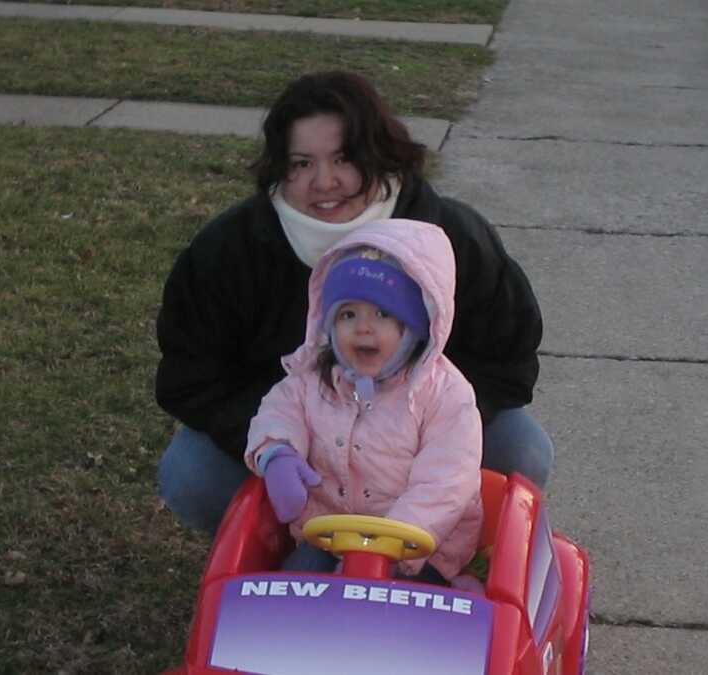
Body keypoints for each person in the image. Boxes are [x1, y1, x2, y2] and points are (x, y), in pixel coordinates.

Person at [155, 70, 553, 535]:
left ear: (379, 154)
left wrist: (422, 430)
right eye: (301, 163)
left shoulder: (450, 235)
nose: (324, 182)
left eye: (343, 158)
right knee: (189, 474)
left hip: (428, 432)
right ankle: (279, 541)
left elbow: (509, 358)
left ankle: (457, 548)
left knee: (524, 451)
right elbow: (189, 378)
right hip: (290, 434)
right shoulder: (228, 251)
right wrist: (290, 440)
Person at [245, 218, 483, 585]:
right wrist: (277, 451)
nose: (363, 327)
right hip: (326, 533)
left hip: (418, 546)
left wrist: (388, 546)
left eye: (383, 314)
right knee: (295, 585)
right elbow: (279, 410)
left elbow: (447, 481)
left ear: (414, 329)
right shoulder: (312, 378)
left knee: (402, 618)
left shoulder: (446, 395)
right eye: (348, 314)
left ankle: (457, 590)